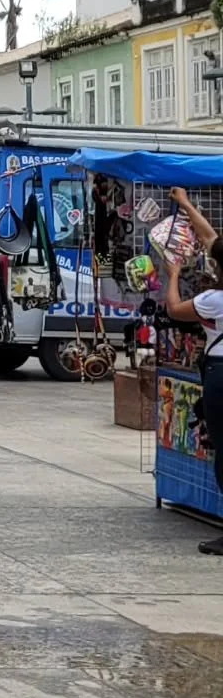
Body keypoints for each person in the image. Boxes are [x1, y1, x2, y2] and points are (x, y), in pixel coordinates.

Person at [164, 187, 223, 554]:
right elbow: (210, 238)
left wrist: (173, 274)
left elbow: (174, 310)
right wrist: (186, 205)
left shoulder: (213, 300)